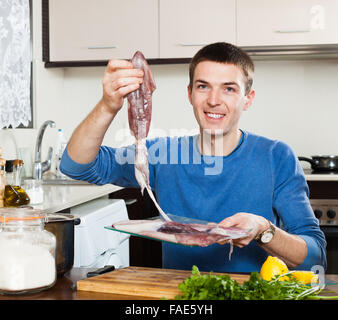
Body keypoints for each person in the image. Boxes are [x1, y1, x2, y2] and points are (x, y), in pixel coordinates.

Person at [60, 42, 326, 273]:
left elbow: (314, 257)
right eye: (203, 86)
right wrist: (108, 105)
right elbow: (77, 166)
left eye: (229, 89)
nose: (213, 100)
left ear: (248, 99)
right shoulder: (161, 155)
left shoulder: (276, 157)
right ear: (190, 94)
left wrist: (263, 230)